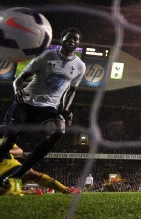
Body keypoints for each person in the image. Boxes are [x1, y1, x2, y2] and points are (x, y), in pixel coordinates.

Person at [0, 28, 86, 193]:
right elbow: (19, 79)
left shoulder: (80, 66)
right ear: (62, 40)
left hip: (48, 108)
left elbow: (71, 90)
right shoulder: (46, 56)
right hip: (25, 102)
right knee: (9, 139)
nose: (72, 41)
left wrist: (65, 109)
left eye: (75, 39)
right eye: (69, 38)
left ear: (78, 43)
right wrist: (17, 90)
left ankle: (17, 174)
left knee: (58, 131)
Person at [0, 144, 81, 196]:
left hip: (13, 166)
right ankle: (30, 193)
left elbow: (19, 151)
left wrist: (7, 150)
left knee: (30, 173)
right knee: (4, 192)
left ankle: (65, 190)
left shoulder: (3, 139)